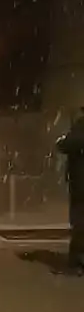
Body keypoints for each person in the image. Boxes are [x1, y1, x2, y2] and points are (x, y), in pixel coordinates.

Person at [57, 110, 84, 272]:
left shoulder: (81, 125)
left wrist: (62, 141)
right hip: (79, 183)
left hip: (80, 184)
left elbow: (67, 145)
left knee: (79, 222)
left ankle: (76, 261)